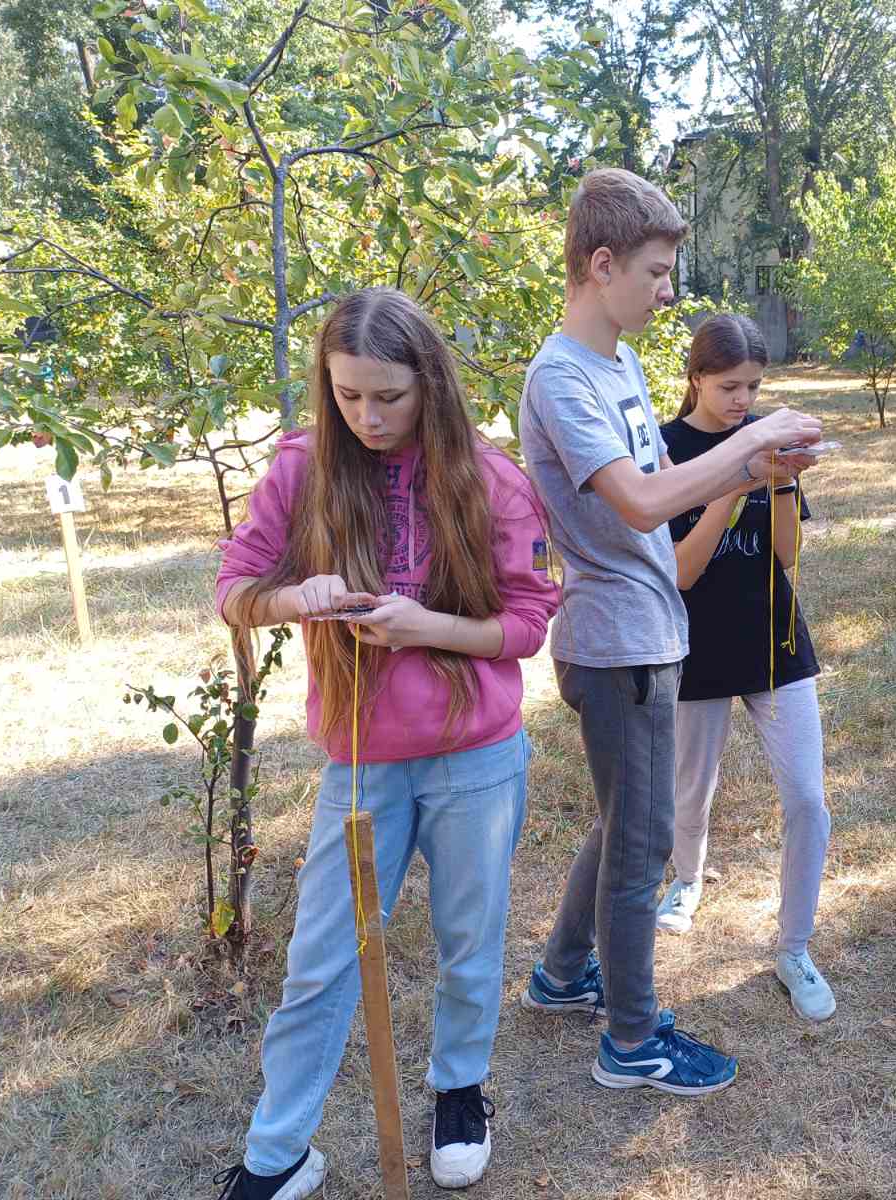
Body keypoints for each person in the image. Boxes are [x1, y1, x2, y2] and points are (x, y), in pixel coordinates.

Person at [212, 288, 559, 1198]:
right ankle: (278, 1153)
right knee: (320, 959)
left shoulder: (491, 480)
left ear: (430, 385)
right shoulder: (302, 469)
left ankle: (460, 1092)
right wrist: (295, 597)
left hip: (475, 757)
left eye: (389, 397)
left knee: (468, 939)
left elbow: (528, 625)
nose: (368, 417)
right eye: (349, 395)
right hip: (362, 761)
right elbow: (235, 590)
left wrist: (425, 627)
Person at [517, 168, 821, 1095]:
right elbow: (643, 501)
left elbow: (668, 492)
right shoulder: (561, 377)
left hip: (650, 629)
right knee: (643, 844)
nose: (665, 292)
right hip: (616, 642)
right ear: (601, 264)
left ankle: (562, 974)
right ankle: (632, 1039)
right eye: (654, 272)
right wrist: (745, 442)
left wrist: (752, 470)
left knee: (625, 822)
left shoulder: (614, 366)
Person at [652, 313, 835, 1023]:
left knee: (809, 800)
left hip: (775, 643)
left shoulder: (767, 439)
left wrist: (783, 482)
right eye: (729, 386)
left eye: (754, 387)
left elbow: (786, 555)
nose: (743, 401)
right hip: (694, 643)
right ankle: (687, 880)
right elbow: (682, 572)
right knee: (690, 789)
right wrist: (735, 481)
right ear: (696, 377)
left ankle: (794, 947)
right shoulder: (665, 450)